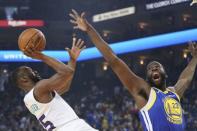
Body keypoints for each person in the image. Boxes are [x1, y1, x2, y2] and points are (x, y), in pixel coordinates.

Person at [69, 9, 197, 131]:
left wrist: (195, 58)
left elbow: (185, 79)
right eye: (151, 69)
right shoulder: (144, 91)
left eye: (157, 67)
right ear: (147, 79)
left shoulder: (173, 93)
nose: (154, 69)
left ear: (165, 74)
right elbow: (113, 60)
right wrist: (89, 29)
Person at [11, 37, 99, 131]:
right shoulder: (40, 87)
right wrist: (41, 56)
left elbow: (65, 86)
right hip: (73, 127)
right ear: (24, 79)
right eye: (31, 71)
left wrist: (72, 60)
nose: (35, 72)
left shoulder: (28, 100)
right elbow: (66, 72)